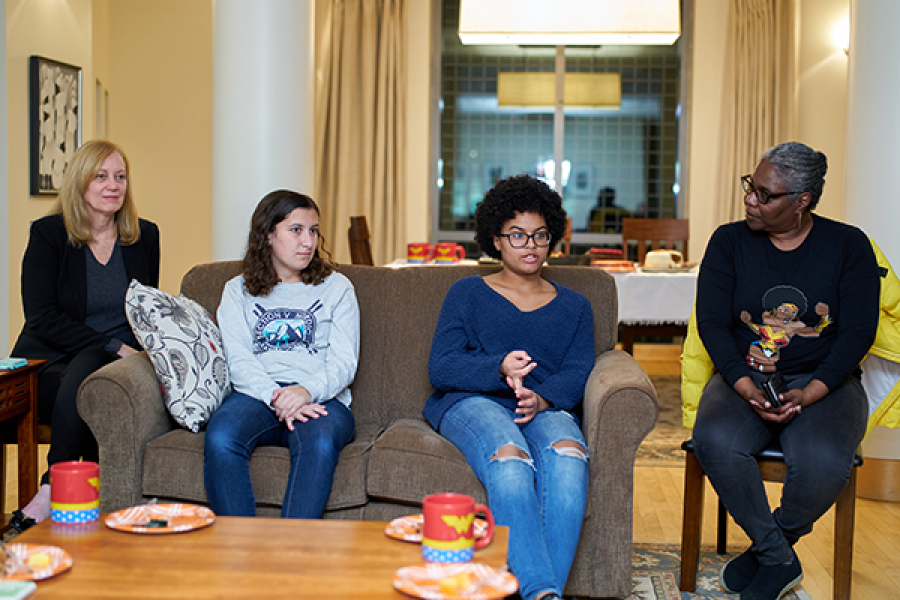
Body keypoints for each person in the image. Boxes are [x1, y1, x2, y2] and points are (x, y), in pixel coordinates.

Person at [692, 142, 880, 600]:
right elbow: (712, 324)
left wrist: (814, 390)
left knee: (823, 461)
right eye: (750, 187)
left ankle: (766, 552)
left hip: (826, 382)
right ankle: (778, 556)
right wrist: (740, 382)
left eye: (765, 194)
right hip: (744, 378)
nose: (750, 200)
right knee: (714, 440)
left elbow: (858, 332)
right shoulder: (728, 240)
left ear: (802, 202)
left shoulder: (847, 245)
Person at [423, 175, 594, 600]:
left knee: (570, 457)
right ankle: (542, 592)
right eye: (516, 235)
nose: (530, 245)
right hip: (473, 403)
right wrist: (497, 368)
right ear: (495, 240)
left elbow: (578, 370)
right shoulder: (466, 293)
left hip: (545, 408)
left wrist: (544, 397)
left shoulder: (575, 306)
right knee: (511, 460)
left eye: (539, 235)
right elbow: (441, 367)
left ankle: (537, 592)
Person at [10, 139, 160, 531]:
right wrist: (112, 346)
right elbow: (41, 318)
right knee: (90, 371)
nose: (113, 185)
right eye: (101, 176)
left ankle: (54, 489)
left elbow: (143, 309)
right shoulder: (48, 235)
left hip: (117, 362)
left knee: (99, 372)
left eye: (120, 176)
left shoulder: (145, 235)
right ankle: (68, 490)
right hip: (51, 360)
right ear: (80, 182)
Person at [203, 190, 358, 519]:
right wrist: (275, 396)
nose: (308, 242)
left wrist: (304, 392)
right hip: (256, 395)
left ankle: (290, 557)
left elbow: (344, 362)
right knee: (220, 439)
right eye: (296, 230)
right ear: (269, 235)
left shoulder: (338, 287)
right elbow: (239, 358)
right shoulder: (237, 290)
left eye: (313, 231)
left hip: (321, 398)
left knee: (317, 446)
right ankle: (240, 553)